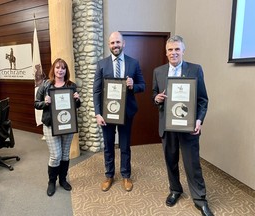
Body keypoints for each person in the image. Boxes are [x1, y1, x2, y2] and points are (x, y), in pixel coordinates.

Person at [152, 35, 214, 216]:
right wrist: (156, 98)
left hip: (188, 126)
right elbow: (154, 94)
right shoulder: (158, 71)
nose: (173, 53)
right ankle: (175, 190)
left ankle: (200, 199)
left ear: (183, 51)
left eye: (177, 49)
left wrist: (199, 120)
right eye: (170, 50)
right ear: (166, 52)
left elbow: (203, 100)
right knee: (170, 160)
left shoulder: (195, 69)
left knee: (192, 163)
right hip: (167, 124)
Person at [93, 31, 145, 192]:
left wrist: (132, 85)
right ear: (109, 45)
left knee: (125, 145)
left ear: (123, 43)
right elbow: (96, 91)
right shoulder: (102, 64)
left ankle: (125, 175)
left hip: (126, 112)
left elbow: (142, 86)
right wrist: (97, 113)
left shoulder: (133, 63)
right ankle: (109, 175)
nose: (115, 45)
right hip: (107, 114)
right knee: (108, 146)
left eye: (117, 42)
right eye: (112, 43)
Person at [34, 58, 81, 196]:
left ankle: (63, 180)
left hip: (67, 125)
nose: (60, 70)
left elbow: (76, 106)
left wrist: (77, 100)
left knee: (65, 154)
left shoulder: (71, 85)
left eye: (63, 68)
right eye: (58, 67)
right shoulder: (45, 85)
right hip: (50, 125)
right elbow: (36, 103)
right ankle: (51, 182)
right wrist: (45, 102)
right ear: (53, 69)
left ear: (66, 71)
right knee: (56, 156)